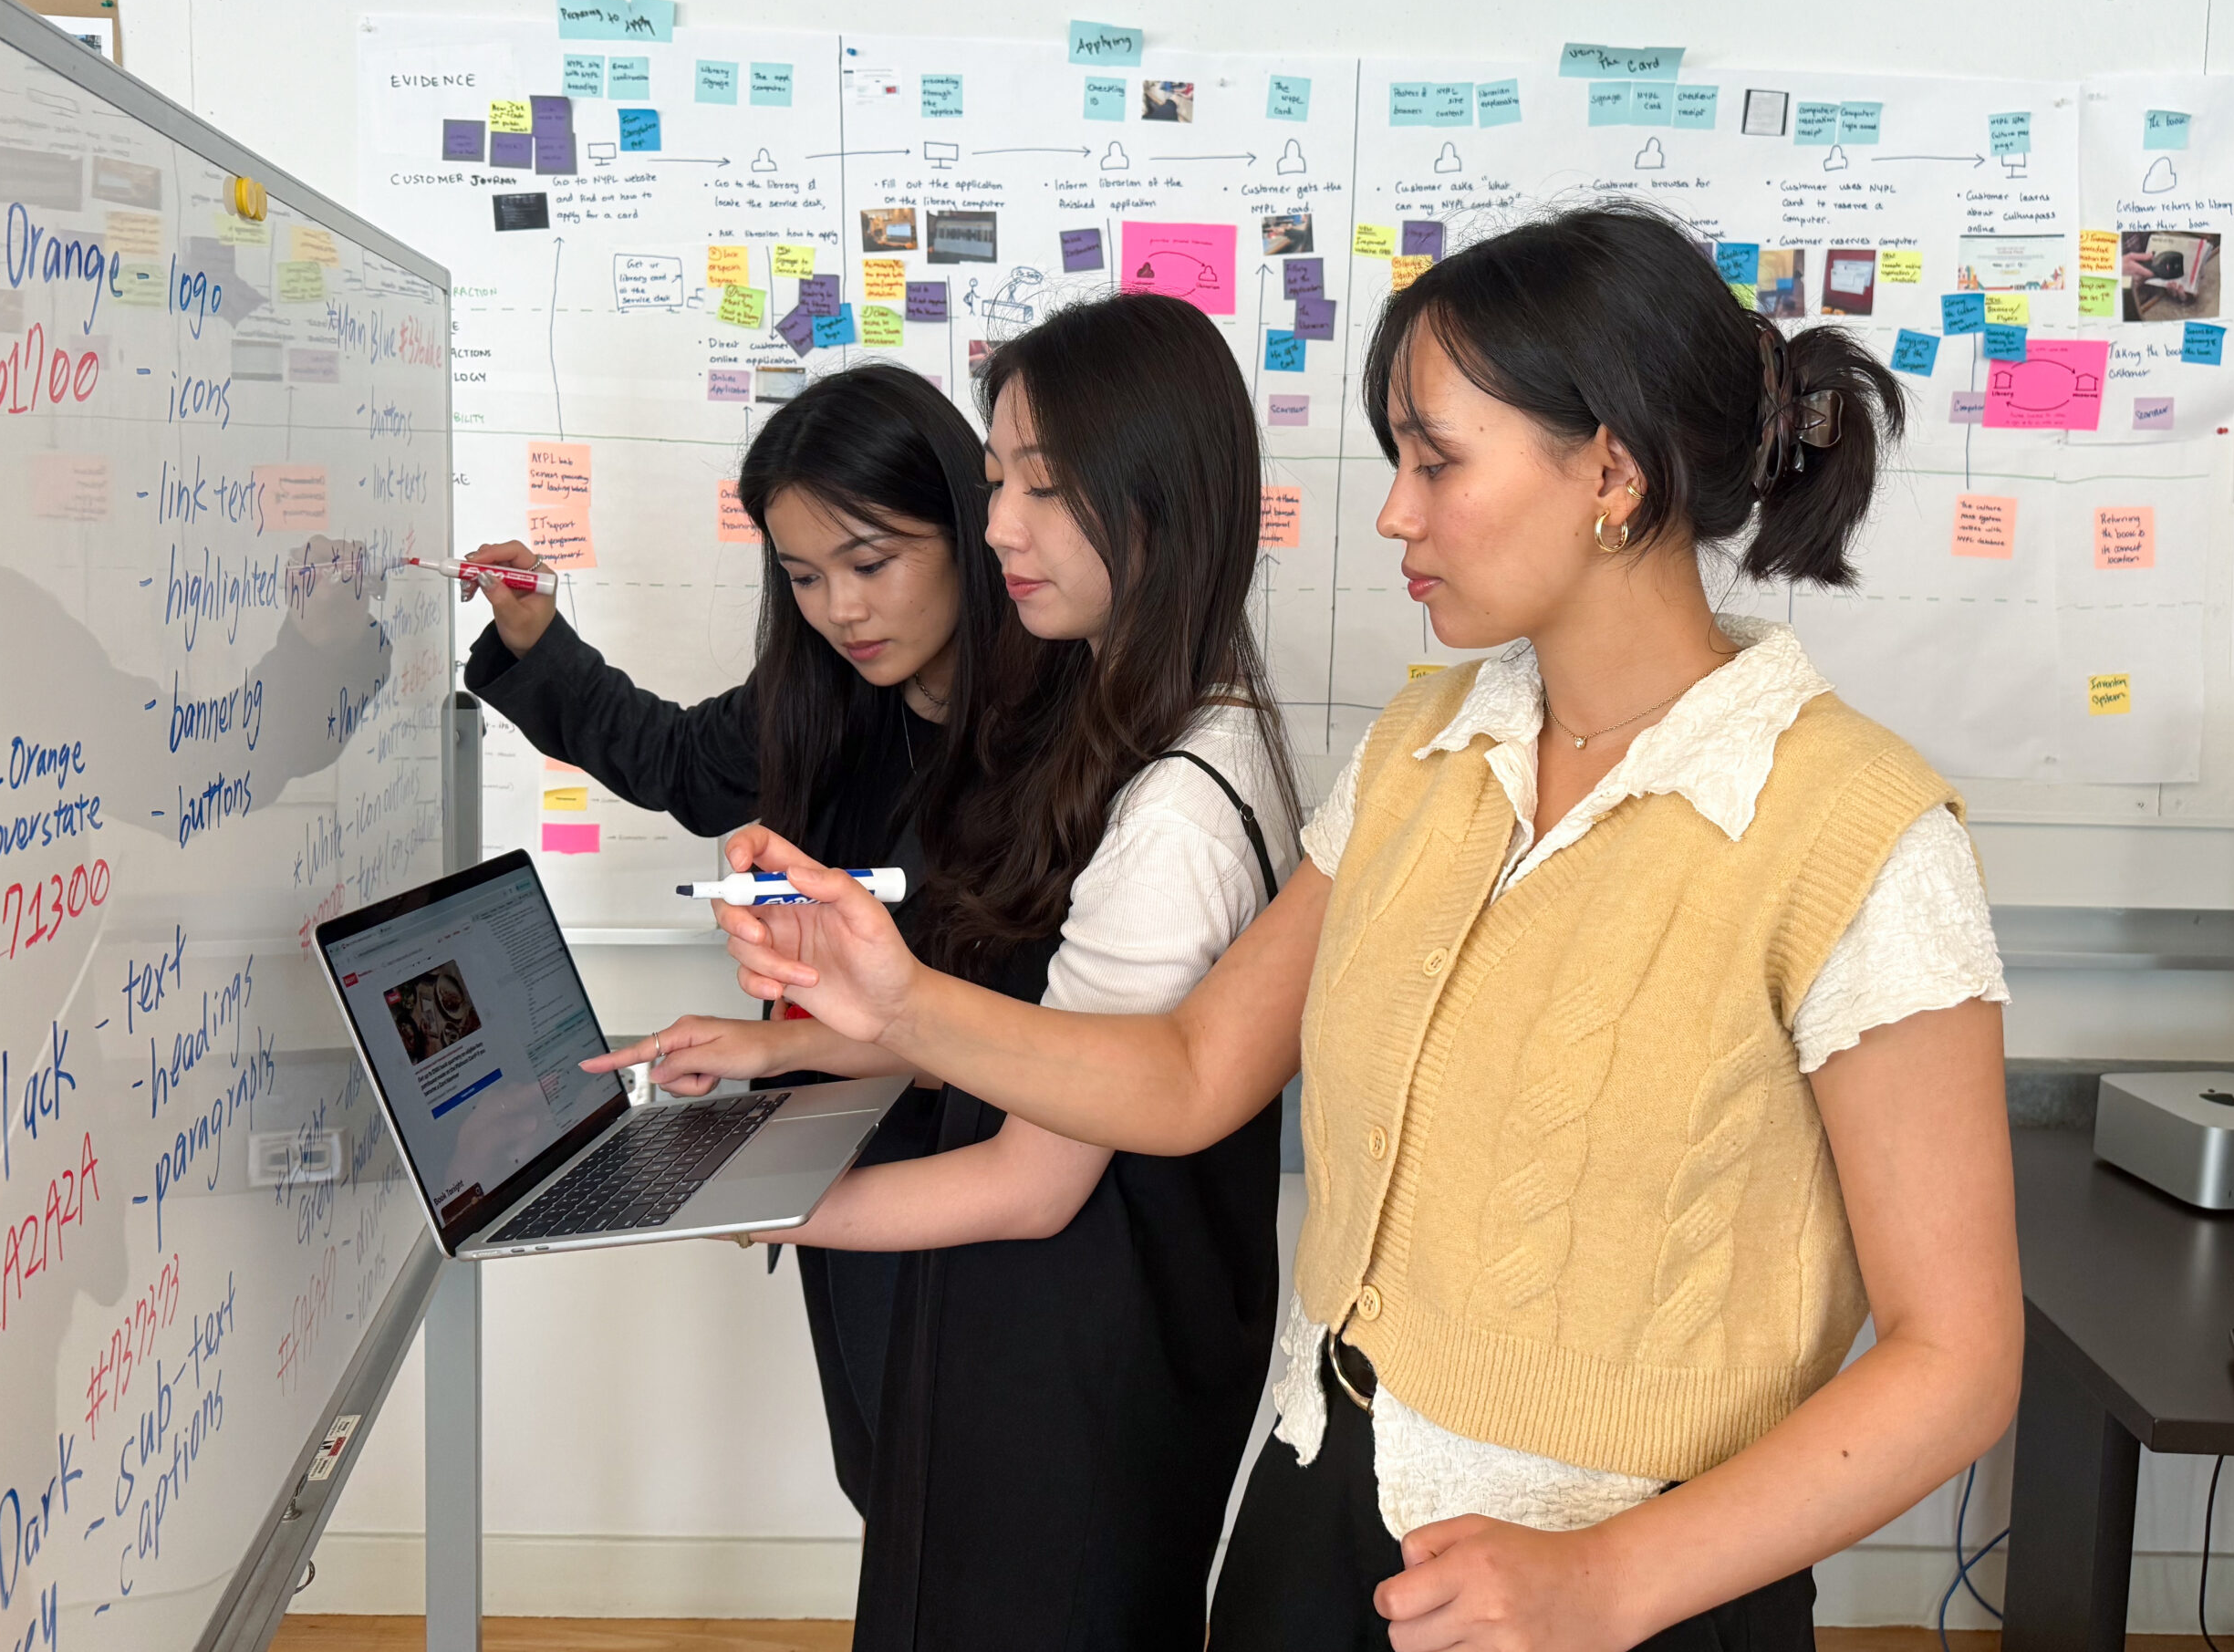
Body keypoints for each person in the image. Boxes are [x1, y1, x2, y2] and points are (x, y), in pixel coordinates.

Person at [702, 204, 2022, 1651]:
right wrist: (895, 1008)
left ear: (1614, 472)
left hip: (1627, 1584)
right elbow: (1195, 1072)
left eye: (1435, 460)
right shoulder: (1425, 749)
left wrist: (1611, 1579)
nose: (1393, 511)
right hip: (1317, 1517)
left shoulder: (1858, 828)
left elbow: (1957, 1363)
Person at [586, 292, 1304, 1650]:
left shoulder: (1169, 802)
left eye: (1040, 487)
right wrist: (789, 1047)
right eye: (993, 483)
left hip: (1064, 1372)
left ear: (1155, 500)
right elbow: (1040, 1039)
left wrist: (744, 1197)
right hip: (1084, 1359)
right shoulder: (1158, 729)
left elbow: (1037, 1178)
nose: (1002, 530)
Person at [459, 362, 1019, 1516]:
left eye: (871, 564)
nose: (841, 611)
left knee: (980, 1507)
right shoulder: (821, 689)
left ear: (970, 526)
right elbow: (671, 760)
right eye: (804, 577)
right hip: (831, 1134)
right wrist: (535, 634)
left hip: (995, 1169)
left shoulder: (1055, 731)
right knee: (888, 1486)